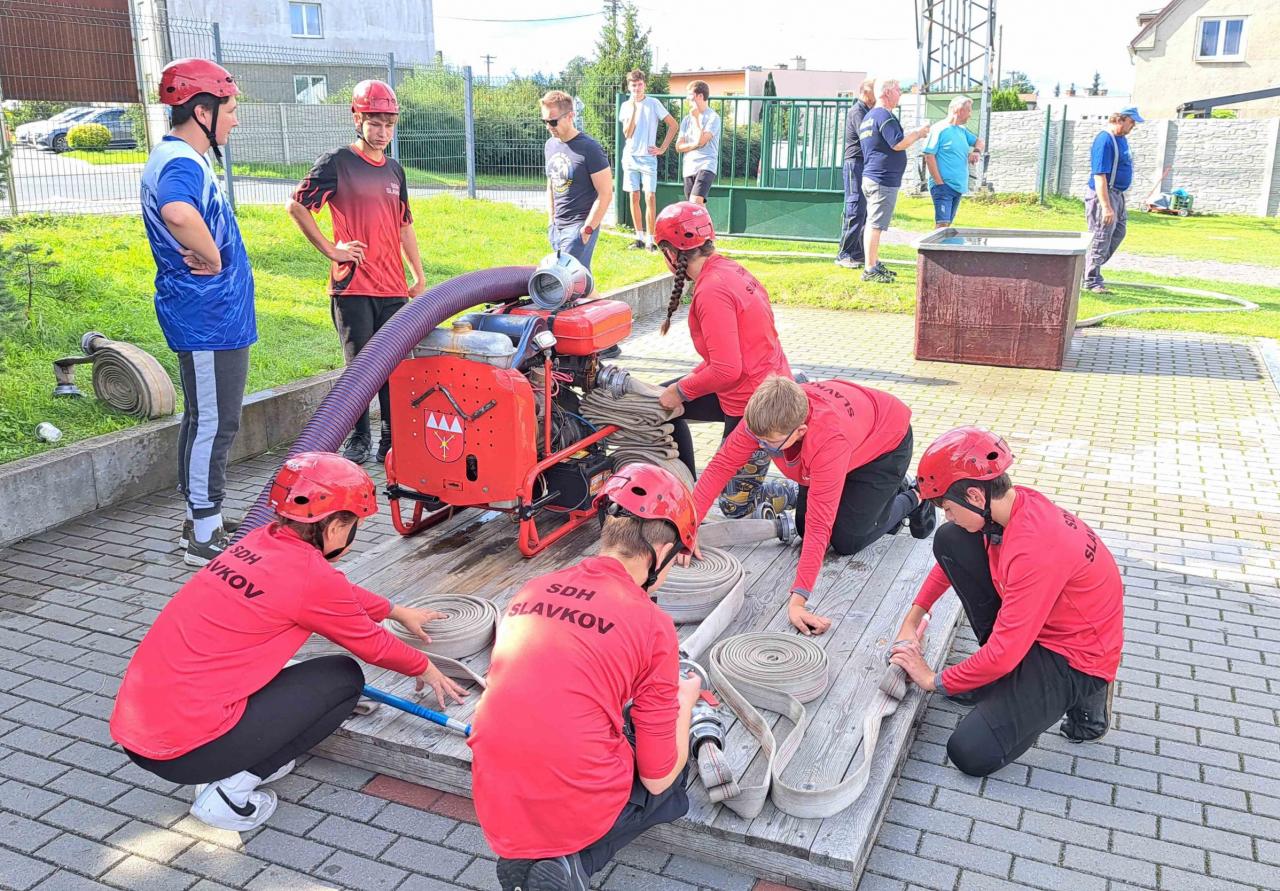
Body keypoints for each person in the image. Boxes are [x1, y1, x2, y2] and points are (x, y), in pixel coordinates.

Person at [109, 452, 466, 831]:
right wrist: (426, 668)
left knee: (292, 670)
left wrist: (395, 611)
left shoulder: (259, 542)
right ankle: (230, 792)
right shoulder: (309, 576)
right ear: (336, 527)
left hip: (141, 733)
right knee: (343, 680)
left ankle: (241, 758)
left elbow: (335, 593)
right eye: (354, 526)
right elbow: (372, 644)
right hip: (186, 752)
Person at [469, 463, 704, 891]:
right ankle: (574, 861)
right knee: (672, 779)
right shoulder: (653, 625)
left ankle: (532, 859)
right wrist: (684, 703)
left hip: (495, 793)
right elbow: (657, 775)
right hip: (572, 798)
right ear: (662, 550)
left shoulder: (532, 588)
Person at [888, 427, 1124, 778]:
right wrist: (913, 618)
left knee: (970, 752)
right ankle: (992, 680)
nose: (948, 516)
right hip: (1039, 625)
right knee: (952, 539)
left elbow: (1005, 652)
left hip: (1075, 657)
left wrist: (932, 679)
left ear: (974, 495)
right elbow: (948, 565)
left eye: (949, 508)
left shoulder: (1034, 548)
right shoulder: (1010, 507)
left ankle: (1088, 699)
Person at [689, 375, 936, 635]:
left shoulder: (827, 441)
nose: (760, 447)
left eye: (769, 443)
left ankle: (913, 496)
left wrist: (798, 602)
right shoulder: (764, 417)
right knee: (802, 527)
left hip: (884, 445)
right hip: (850, 437)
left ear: (800, 431)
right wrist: (687, 529)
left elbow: (820, 525)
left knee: (847, 540)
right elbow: (721, 466)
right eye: (757, 439)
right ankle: (874, 499)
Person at [141, 58, 255, 567]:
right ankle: (203, 536)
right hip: (208, 318)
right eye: (229, 110)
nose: (235, 120)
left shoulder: (180, 156)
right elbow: (178, 211)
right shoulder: (181, 163)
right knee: (216, 422)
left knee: (203, 417)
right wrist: (212, 255)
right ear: (202, 111)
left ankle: (201, 516)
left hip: (212, 316)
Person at [287, 80, 424, 467]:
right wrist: (332, 249)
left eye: (389, 124)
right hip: (353, 287)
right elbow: (296, 206)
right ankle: (359, 438)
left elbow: (404, 225)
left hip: (393, 289)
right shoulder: (337, 162)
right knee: (360, 369)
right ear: (357, 119)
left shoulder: (395, 170)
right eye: (374, 123)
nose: (382, 132)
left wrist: (418, 274)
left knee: (394, 368)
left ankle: (391, 440)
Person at [652, 201, 796, 518]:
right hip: (748, 388)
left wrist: (680, 390)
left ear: (671, 254)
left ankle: (803, 493)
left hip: (757, 406)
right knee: (656, 405)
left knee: (733, 505)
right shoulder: (729, 270)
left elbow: (727, 369)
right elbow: (724, 358)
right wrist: (679, 390)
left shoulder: (712, 291)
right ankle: (687, 491)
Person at [858, 78, 931, 284]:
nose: (900, 93)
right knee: (875, 225)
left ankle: (874, 262)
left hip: (873, 176)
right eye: (898, 89)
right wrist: (919, 133)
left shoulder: (870, 116)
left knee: (874, 223)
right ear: (887, 92)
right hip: (882, 178)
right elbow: (897, 143)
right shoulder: (884, 116)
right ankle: (870, 268)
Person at [541, 90, 613, 270]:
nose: (548, 126)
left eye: (553, 121)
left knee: (562, 276)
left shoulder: (590, 148)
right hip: (557, 227)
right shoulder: (550, 145)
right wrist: (551, 221)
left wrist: (587, 229)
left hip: (579, 226)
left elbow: (605, 193)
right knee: (578, 280)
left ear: (570, 116)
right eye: (545, 121)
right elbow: (551, 184)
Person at [1084, 107, 1142, 294]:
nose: (1134, 126)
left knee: (1118, 232)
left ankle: (1085, 268)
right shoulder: (1104, 140)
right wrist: (1106, 206)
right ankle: (1091, 280)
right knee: (1101, 235)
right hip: (1104, 195)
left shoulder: (1121, 139)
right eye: (1131, 122)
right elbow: (1099, 176)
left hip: (1118, 194)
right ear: (1120, 120)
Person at [620, 70, 677, 251]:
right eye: (633, 85)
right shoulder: (626, 106)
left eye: (639, 84)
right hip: (630, 157)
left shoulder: (653, 103)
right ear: (629, 86)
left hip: (648, 158)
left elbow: (673, 125)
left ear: (644, 84)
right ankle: (638, 238)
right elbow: (627, 133)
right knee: (634, 195)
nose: (637, 88)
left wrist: (662, 148)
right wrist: (633, 111)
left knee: (650, 196)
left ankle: (650, 241)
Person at [923, 96, 985, 228]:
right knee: (942, 225)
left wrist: (976, 152)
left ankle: (941, 243)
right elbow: (929, 156)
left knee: (946, 226)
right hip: (943, 186)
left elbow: (979, 142)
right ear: (959, 110)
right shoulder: (939, 129)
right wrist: (939, 183)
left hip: (958, 187)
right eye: (969, 110)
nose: (970, 115)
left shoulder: (962, 130)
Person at [836, 78, 875, 269]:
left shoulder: (867, 111)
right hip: (855, 163)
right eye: (875, 91)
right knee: (855, 208)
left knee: (863, 211)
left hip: (863, 163)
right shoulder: (858, 111)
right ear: (866, 92)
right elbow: (866, 136)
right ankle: (844, 253)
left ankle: (857, 253)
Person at [675, 80, 721, 205]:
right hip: (689, 167)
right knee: (695, 207)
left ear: (700, 96)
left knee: (695, 201)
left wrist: (696, 118)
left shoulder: (713, 118)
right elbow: (678, 147)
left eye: (690, 95)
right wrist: (695, 144)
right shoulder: (686, 120)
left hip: (706, 165)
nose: (687, 98)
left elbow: (702, 141)